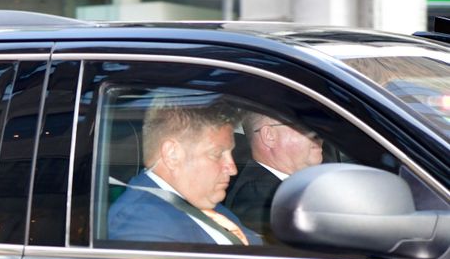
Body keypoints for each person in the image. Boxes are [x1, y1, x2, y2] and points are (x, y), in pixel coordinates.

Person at [107, 96, 259, 246]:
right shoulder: (141, 224)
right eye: (217, 154)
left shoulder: (203, 205)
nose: (232, 169)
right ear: (172, 154)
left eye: (230, 154)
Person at [225, 111, 323, 237]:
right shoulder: (259, 198)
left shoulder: (285, 187)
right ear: (269, 136)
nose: (319, 134)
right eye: (305, 126)